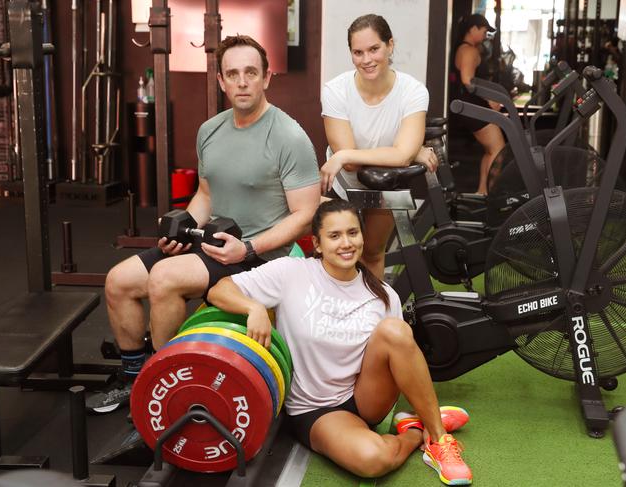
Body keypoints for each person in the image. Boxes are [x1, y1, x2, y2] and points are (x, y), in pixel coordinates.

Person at [85, 35, 321, 413]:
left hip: (260, 256)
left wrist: (247, 248)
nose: (242, 81)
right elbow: (206, 196)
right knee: (119, 281)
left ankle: (166, 388)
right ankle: (134, 379)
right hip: (212, 242)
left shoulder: (289, 137)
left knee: (164, 280)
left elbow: (306, 215)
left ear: (266, 78)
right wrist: (177, 231)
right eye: (233, 74)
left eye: (250, 73)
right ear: (221, 82)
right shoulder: (210, 130)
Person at [208, 199, 473, 485]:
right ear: (318, 243)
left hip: (364, 395)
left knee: (395, 330)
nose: (346, 243)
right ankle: (413, 430)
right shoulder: (291, 273)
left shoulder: (383, 294)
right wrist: (254, 308)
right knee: (374, 460)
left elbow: (402, 359)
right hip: (315, 408)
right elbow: (220, 290)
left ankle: (438, 439)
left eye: (352, 233)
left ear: (362, 236)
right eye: (334, 236)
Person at [320, 14, 438, 280]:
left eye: (374, 49)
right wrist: (405, 153)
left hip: (385, 184)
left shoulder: (413, 91)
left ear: (390, 45)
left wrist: (405, 153)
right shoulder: (335, 91)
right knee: (339, 257)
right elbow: (351, 166)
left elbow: (353, 155)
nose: (367, 59)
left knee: (372, 252)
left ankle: (374, 316)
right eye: (358, 52)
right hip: (342, 183)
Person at [449, 13, 506, 195]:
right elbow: (467, 80)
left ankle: (483, 192)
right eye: (483, 31)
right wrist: (489, 99)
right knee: (498, 150)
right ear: (472, 29)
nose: (484, 35)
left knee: (491, 150)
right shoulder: (469, 51)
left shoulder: (462, 48)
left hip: (468, 105)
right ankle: (489, 193)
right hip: (471, 105)